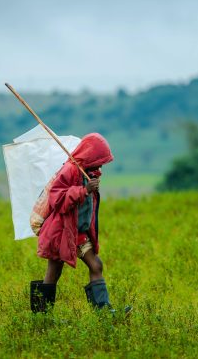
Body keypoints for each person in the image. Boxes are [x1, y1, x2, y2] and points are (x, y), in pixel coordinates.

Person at [30, 132, 121, 313]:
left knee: (96, 265)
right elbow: (57, 200)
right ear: (90, 156)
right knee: (53, 273)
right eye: (99, 159)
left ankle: (104, 313)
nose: (102, 164)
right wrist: (83, 190)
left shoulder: (89, 173)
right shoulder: (70, 170)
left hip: (78, 233)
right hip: (61, 232)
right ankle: (41, 317)